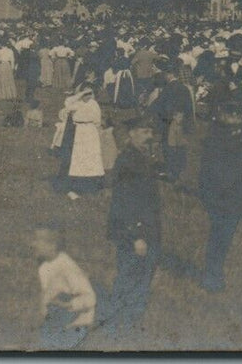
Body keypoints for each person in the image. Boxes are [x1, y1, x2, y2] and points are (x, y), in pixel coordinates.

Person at [105, 117, 162, 335]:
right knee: (130, 274)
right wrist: (137, 235)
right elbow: (124, 201)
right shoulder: (128, 160)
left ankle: (131, 321)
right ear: (131, 133)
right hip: (133, 231)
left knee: (143, 274)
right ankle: (118, 323)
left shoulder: (141, 157)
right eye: (144, 131)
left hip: (146, 228)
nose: (149, 136)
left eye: (151, 132)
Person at [197, 103, 242, 291]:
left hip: (234, 196)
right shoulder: (217, 136)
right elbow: (207, 172)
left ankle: (215, 272)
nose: (238, 119)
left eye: (239, 115)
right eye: (234, 115)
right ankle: (212, 276)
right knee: (219, 236)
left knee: (224, 237)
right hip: (219, 196)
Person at [31, 222, 96, 351]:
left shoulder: (67, 266)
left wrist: (68, 305)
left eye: (38, 240)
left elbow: (90, 298)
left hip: (73, 326)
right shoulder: (43, 267)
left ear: (53, 245)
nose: (33, 244)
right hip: (54, 324)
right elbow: (47, 297)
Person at [53, 84, 106, 197]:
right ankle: (75, 187)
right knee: (79, 159)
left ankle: (91, 185)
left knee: (91, 159)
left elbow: (97, 121)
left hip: (91, 132)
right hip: (79, 132)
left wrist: (93, 131)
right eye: (85, 93)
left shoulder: (94, 104)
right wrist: (80, 94)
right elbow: (67, 102)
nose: (87, 96)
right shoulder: (77, 104)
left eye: (90, 93)